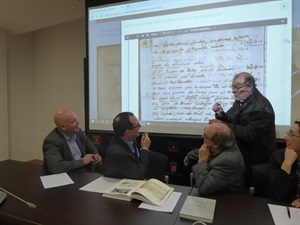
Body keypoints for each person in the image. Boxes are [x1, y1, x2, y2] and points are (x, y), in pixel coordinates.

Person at [209, 72, 276, 186]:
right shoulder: (241, 101)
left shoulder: (261, 107)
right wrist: (220, 114)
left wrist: (223, 125)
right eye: (233, 88)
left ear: (250, 87)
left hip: (256, 160)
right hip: (242, 156)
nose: (234, 92)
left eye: (238, 88)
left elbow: (248, 133)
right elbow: (231, 119)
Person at [183, 123, 245, 195]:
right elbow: (205, 150)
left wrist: (202, 161)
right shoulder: (226, 143)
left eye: (205, 137)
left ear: (216, 144)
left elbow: (204, 187)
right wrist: (189, 156)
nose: (202, 137)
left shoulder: (228, 162)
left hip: (225, 200)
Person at [104, 112, 167, 181]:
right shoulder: (118, 152)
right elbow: (138, 175)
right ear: (128, 132)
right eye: (137, 125)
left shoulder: (128, 138)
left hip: (134, 169)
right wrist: (145, 148)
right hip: (124, 180)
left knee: (161, 159)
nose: (140, 126)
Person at [253, 120, 300, 203]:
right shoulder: (279, 157)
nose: (285, 138)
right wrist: (287, 164)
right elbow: (275, 196)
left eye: (291, 134)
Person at [43, 109, 102, 173]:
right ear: (63, 127)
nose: (77, 123)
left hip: (84, 171)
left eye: (76, 120)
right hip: (69, 174)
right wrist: (83, 161)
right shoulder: (52, 141)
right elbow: (56, 166)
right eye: (73, 122)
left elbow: (87, 141)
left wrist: (95, 153)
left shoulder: (78, 132)